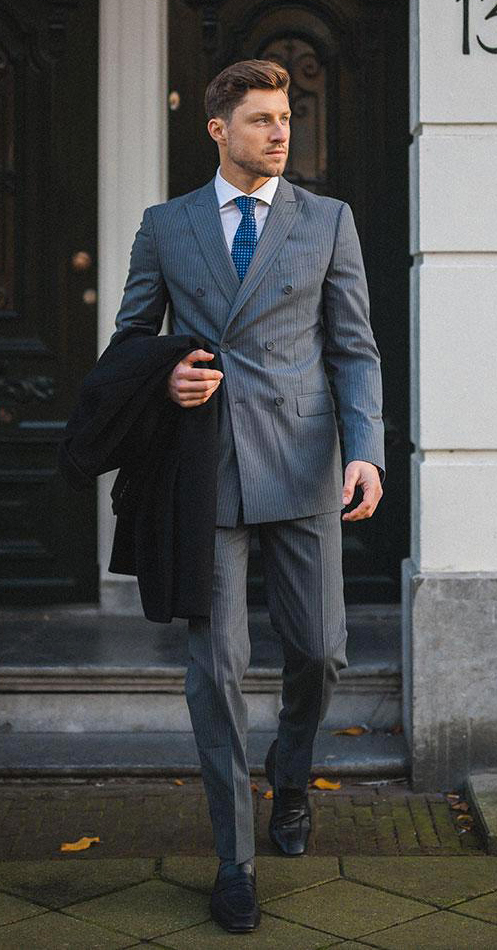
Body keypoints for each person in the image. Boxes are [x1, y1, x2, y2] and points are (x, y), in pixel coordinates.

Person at [113, 58, 385, 933]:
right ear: (217, 130)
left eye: (286, 117)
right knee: (216, 669)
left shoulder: (327, 221)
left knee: (320, 651)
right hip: (211, 467)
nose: (279, 132)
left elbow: (354, 350)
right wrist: (169, 380)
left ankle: (293, 776)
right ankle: (234, 858)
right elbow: (129, 343)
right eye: (262, 118)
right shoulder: (165, 226)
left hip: (305, 463)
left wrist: (366, 451)